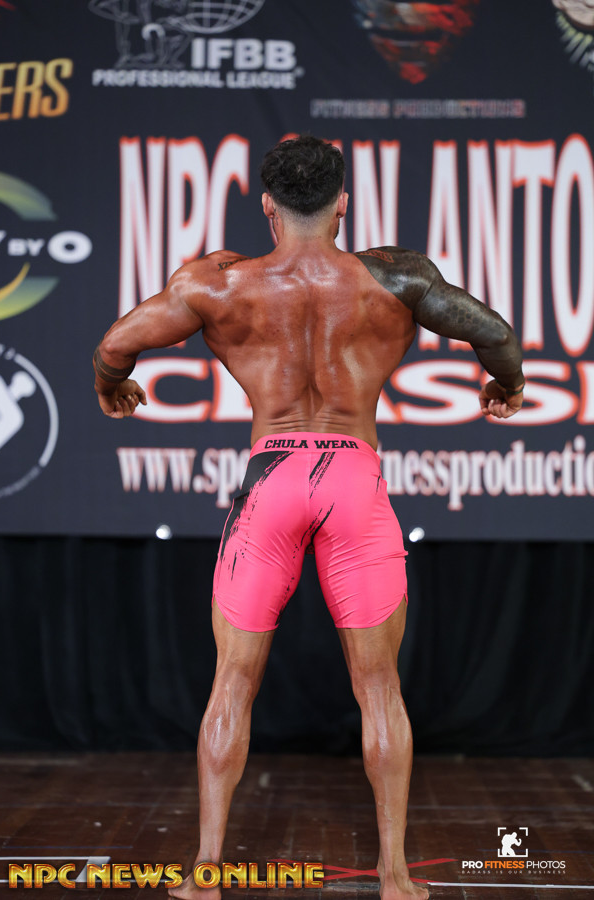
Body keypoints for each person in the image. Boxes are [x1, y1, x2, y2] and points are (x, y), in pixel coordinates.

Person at [93, 135, 524, 900]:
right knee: (380, 687)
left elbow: (114, 346)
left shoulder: (218, 284)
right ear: (343, 202)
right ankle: (395, 877)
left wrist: (114, 387)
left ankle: (204, 874)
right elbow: (494, 333)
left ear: (267, 205)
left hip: (270, 483)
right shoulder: (396, 277)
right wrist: (505, 387)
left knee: (231, 683)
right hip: (354, 480)